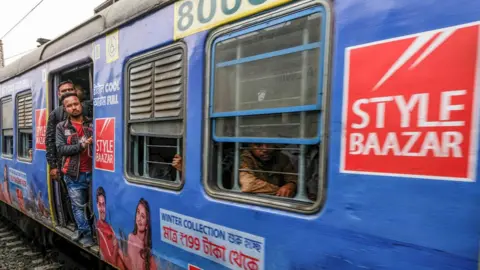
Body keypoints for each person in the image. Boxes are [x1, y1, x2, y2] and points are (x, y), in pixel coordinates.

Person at [46, 80, 93, 230]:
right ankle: (78, 228)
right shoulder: (55, 115)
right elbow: (51, 141)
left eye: (70, 89)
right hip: (67, 163)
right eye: (64, 91)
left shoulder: (87, 109)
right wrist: (53, 165)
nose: (68, 92)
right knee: (72, 199)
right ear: (59, 95)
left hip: (88, 165)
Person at [56, 92, 94, 247]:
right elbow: (61, 149)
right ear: (65, 109)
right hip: (74, 174)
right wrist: (81, 146)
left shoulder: (92, 123)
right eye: (69, 106)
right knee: (78, 206)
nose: (74, 108)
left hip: (94, 172)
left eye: (76, 104)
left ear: (81, 104)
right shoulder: (61, 127)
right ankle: (86, 235)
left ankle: (82, 229)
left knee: (92, 206)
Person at [118, 198, 157, 270]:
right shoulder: (131, 237)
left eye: (142, 216)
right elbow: (130, 264)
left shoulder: (149, 255)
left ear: (147, 224)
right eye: (138, 212)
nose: (139, 219)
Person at [96, 187, 121, 267]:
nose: (102, 209)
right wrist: (116, 245)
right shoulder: (100, 229)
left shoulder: (108, 226)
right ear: (97, 206)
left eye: (103, 205)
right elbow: (112, 260)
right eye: (100, 205)